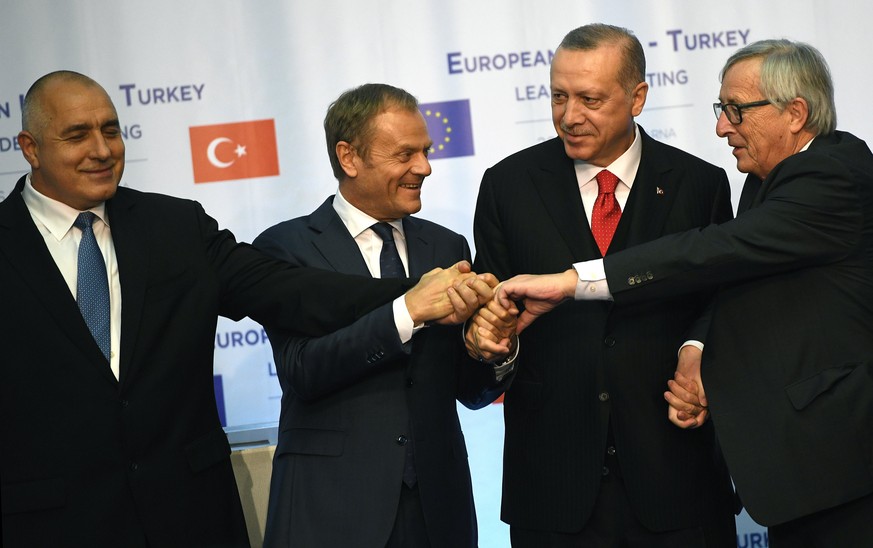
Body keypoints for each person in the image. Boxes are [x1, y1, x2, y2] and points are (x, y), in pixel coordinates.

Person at [0, 71, 490, 548]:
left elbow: (290, 292)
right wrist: (409, 303)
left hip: (186, 514)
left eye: (111, 130)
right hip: (51, 521)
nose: (102, 150)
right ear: (30, 147)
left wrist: (412, 300)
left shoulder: (175, 226)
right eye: (77, 135)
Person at [495, 39, 873, 547]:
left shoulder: (831, 175)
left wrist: (574, 281)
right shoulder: (767, 181)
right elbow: (738, 288)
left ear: (795, 112)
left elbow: (714, 252)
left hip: (843, 469)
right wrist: (697, 352)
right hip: (802, 475)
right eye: (721, 110)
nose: (721, 127)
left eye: (735, 110)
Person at [468, 23, 737, 547]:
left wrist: (698, 350)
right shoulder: (507, 186)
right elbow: (491, 323)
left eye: (590, 99)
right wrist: (492, 344)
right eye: (559, 97)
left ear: (637, 97)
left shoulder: (699, 184)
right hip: (552, 489)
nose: (569, 116)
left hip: (677, 480)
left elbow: (721, 301)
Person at [252, 83, 517, 548]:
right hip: (332, 507)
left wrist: (494, 350)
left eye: (426, 151)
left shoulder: (447, 247)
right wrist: (406, 311)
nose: (425, 167)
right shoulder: (285, 249)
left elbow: (469, 391)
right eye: (405, 154)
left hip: (439, 509)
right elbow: (302, 370)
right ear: (349, 157)